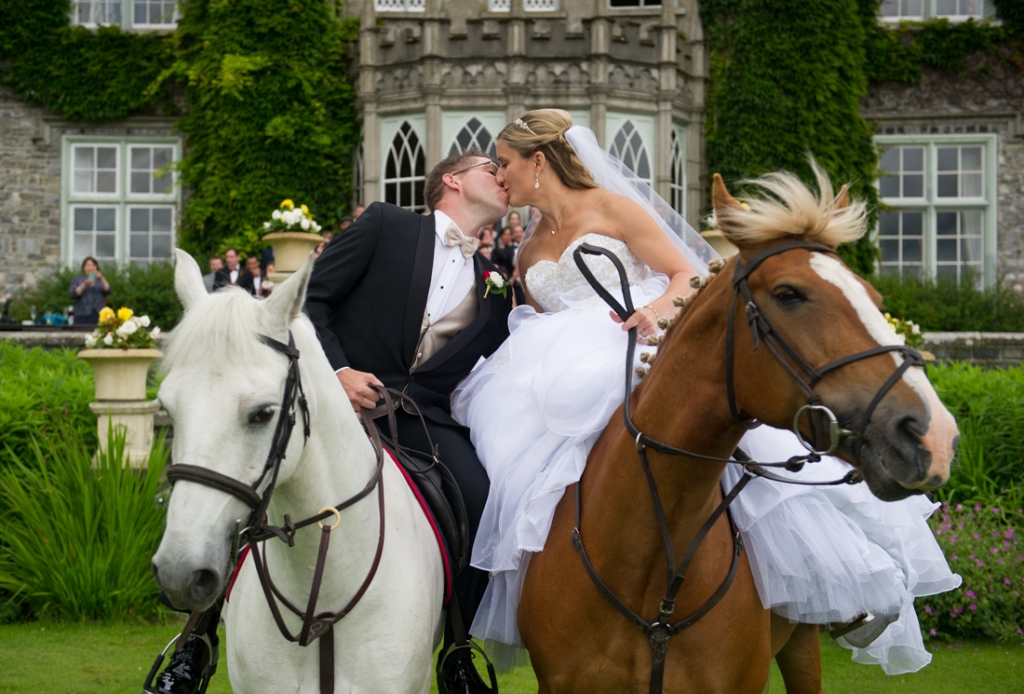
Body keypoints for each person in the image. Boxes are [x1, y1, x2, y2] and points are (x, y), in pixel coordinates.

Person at [450, 109, 960, 674]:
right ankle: (547, 577)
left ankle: (819, 572)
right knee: (523, 464)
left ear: (538, 162)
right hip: (554, 363)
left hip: (638, 341)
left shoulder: (614, 209)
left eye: (506, 162)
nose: (501, 175)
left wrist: (653, 312)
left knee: (714, 433)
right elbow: (538, 314)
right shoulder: (526, 249)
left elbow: (686, 276)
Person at [306, 149, 513, 694]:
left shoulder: (496, 282)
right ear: (452, 180)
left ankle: (459, 648)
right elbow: (310, 300)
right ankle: (195, 638)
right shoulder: (385, 223)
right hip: (340, 402)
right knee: (262, 472)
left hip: (425, 419)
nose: (503, 176)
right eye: (491, 168)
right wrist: (338, 372)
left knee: (485, 502)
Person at [69, 257, 111, 324]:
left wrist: (102, 278)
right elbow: (73, 294)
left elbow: (108, 290)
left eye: (93, 265)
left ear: (96, 267)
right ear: (83, 268)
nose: (91, 268)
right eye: (88, 265)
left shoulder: (100, 280)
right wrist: (84, 285)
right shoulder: (77, 280)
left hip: (99, 315)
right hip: (82, 315)